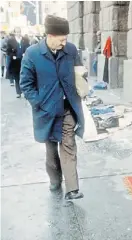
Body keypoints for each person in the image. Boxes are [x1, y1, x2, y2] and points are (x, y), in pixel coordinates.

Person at [20, 15, 85, 200]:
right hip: (46, 111)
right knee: (51, 150)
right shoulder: (33, 53)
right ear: (50, 35)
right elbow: (26, 83)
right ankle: (55, 180)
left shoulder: (70, 50)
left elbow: (79, 72)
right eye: (61, 39)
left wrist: (81, 85)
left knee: (69, 144)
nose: (65, 43)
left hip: (67, 108)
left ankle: (72, 188)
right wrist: (38, 102)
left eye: (66, 39)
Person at [6, 27, 30, 97]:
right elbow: (8, 51)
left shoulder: (25, 40)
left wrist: (25, 52)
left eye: (19, 32)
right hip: (15, 62)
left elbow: (29, 48)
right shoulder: (10, 41)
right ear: (14, 33)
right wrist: (12, 55)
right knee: (17, 78)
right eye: (17, 32)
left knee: (25, 77)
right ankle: (18, 92)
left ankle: (25, 92)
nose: (18, 33)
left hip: (24, 61)